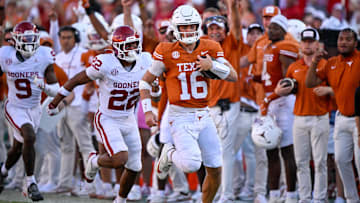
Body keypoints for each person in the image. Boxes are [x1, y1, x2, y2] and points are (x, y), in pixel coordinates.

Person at [140, 5, 238, 203]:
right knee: (192, 164)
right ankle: (169, 152)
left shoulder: (209, 46)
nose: (188, 30)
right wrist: (147, 110)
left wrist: (213, 66)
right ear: (176, 28)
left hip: (204, 113)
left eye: (192, 26)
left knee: (215, 167)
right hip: (179, 114)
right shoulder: (166, 50)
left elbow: (233, 76)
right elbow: (145, 82)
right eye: (184, 27)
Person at [48, 25, 151, 203]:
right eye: (128, 46)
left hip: (128, 118)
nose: (133, 49)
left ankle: (120, 200)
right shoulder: (106, 62)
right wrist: (56, 101)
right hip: (107, 118)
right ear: (117, 48)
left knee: (134, 166)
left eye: (134, 44)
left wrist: (155, 90)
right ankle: (94, 161)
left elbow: (154, 92)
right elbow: (76, 80)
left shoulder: (145, 61)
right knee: (120, 158)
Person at [0, 21, 60, 201]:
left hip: (34, 108)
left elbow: (56, 88)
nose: (29, 42)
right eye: (25, 39)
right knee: (29, 136)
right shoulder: (5, 55)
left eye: (32, 39)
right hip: (15, 106)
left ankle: (2, 171)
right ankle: (31, 182)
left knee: (18, 147)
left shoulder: (44, 55)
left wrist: (44, 87)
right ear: (15, 41)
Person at [275, 28, 331, 202]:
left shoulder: (325, 65)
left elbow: (336, 88)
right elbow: (286, 87)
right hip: (299, 117)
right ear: (300, 44)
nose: (307, 44)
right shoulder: (293, 66)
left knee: (320, 161)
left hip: (319, 116)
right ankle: (305, 198)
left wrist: (329, 89)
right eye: (304, 41)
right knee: (301, 162)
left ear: (317, 44)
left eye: (310, 41)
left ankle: (319, 198)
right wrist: (279, 90)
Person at [306, 28, 360, 203]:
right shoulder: (331, 63)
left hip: (358, 119)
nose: (343, 42)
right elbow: (309, 83)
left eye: (348, 39)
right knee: (341, 161)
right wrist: (315, 61)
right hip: (341, 118)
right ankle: (352, 199)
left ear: (355, 43)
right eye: (341, 39)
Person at [257, 15, 299, 203]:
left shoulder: (286, 47)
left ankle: (291, 194)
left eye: (275, 28)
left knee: (287, 151)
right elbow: (268, 76)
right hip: (270, 102)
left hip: (283, 102)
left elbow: (288, 82)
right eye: (270, 27)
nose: (270, 30)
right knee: (270, 149)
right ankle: (274, 194)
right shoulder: (269, 46)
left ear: (283, 31)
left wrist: (270, 97)